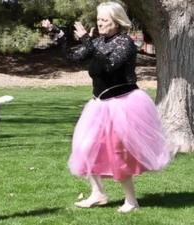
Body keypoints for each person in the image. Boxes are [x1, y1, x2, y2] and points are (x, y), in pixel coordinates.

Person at [42, 1, 172, 213]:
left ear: (117, 21)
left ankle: (131, 201)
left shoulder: (125, 43)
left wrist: (87, 40)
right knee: (85, 146)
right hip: (99, 105)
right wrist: (58, 34)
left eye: (104, 20)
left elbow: (109, 66)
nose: (100, 24)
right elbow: (73, 57)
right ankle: (98, 193)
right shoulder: (99, 41)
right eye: (99, 20)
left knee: (118, 153)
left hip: (123, 105)